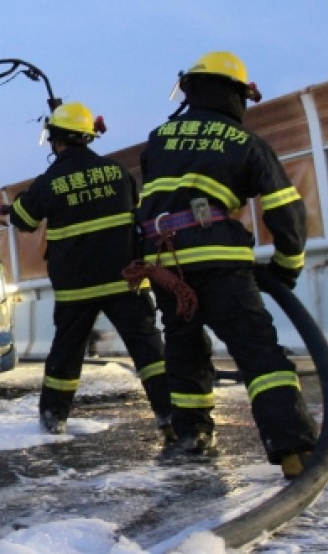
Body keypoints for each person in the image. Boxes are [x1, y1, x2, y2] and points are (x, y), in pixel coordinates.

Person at [136, 51, 318, 478]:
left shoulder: (158, 138)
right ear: (237, 94)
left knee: (183, 347)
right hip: (220, 263)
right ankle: (293, 449)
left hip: (166, 264)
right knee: (258, 353)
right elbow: (285, 211)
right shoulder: (246, 143)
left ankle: (193, 435)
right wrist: (287, 269)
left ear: (192, 90)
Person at [2, 101, 173, 439]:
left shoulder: (49, 182)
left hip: (75, 288)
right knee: (148, 349)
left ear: (57, 140)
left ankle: (54, 418)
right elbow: (134, 215)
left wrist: (22, 201)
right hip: (123, 279)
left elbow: (23, 220)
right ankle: (169, 417)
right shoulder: (117, 172)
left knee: (66, 354)